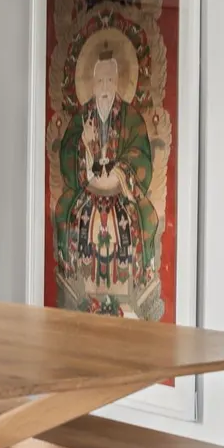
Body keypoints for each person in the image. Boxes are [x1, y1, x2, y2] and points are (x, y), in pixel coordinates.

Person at [54, 49, 158, 301]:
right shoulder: (82, 117)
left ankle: (139, 288)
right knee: (61, 210)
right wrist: (83, 143)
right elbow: (67, 152)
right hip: (87, 186)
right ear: (91, 84)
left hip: (121, 189)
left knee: (148, 217)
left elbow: (140, 155)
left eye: (109, 80)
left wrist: (119, 173)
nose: (104, 87)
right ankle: (71, 286)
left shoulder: (131, 117)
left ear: (118, 82)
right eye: (99, 81)